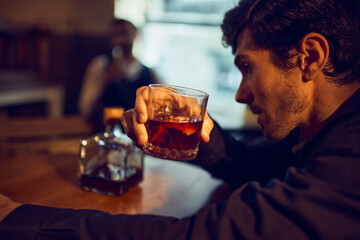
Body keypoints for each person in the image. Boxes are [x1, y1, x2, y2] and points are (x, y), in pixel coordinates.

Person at [1, 0, 360, 239]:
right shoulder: (323, 132)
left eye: (247, 68)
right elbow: (252, 164)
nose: (240, 93)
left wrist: (15, 218)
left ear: (309, 57)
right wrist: (198, 137)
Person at [78, 18, 159, 130]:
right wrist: (105, 82)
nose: (120, 39)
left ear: (135, 35)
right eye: (115, 34)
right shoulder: (101, 65)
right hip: (106, 133)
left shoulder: (150, 73)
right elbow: (85, 107)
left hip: (137, 136)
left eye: (124, 33)